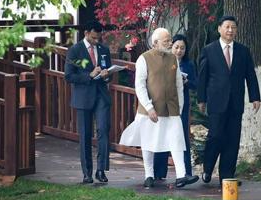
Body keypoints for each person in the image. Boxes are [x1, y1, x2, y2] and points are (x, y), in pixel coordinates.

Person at [119, 28, 199, 188]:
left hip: (172, 108)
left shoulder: (173, 59)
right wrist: (148, 107)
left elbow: (178, 85)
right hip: (150, 109)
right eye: (166, 41)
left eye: (170, 40)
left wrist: (181, 106)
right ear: (155, 43)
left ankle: (181, 176)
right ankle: (149, 175)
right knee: (149, 141)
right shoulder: (144, 59)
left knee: (177, 140)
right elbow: (140, 85)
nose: (170, 43)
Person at [197, 15, 261, 185]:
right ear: (219, 29)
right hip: (216, 102)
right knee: (215, 136)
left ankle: (226, 176)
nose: (230, 30)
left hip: (235, 103)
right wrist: (201, 99)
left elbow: (250, 75)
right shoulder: (208, 50)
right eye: (227, 27)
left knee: (232, 139)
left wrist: (255, 97)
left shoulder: (243, 51)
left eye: (233, 27)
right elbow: (202, 77)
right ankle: (208, 168)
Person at [64, 21, 112, 184]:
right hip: (83, 97)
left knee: (103, 130)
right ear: (86, 33)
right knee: (85, 135)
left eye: (99, 37)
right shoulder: (75, 50)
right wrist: (89, 75)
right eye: (94, 37)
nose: (97, 41)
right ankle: (87, 173)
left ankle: (101, 170)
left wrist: (107, 74)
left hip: (101, 95)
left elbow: (109, 71)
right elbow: (68, 76)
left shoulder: (104, 50)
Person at [153, 34, 198, 181]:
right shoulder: (163, 61)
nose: (179, 51)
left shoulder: (188, 64)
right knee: (162, 136)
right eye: (176, 47)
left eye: (182, 48)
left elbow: (196, 84)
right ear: (171, 47)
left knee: (182, 137)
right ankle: (158, 173)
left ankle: (186, 173)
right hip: (165, 105)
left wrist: (186, 81)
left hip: (181, 106)